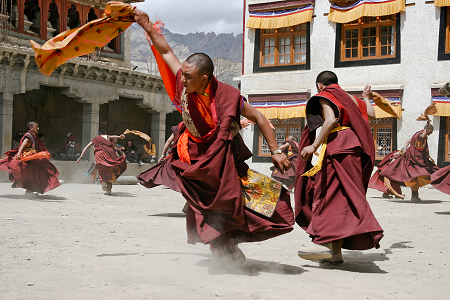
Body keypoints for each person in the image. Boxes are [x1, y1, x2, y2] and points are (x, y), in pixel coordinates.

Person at [134, 8, 294, 266]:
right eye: (182, 74)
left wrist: (275, 151)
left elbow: (261, 119)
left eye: (188, 76)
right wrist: (146, 25)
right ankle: (223, 252)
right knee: (202, 207)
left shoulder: (229, 97)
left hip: (222, 164)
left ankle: (230, 247)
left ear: (204, 78)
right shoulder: (186, 83)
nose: (182, 79)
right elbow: (166, 52)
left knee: (243, 202)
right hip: (193, 159)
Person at [294, 71, 383, 265]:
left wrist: (313, 146)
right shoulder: (349, 97)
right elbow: (371, 113)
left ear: (319, 85)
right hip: (353, 148)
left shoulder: (325, 95)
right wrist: (366, 98)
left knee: (327, 194)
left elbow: (330, 120)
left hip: (338, 147)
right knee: (343, 195)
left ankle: (325, 243)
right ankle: (334, 251)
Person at [379, 121, 439, 201]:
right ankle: (413, 196)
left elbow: (408, 141)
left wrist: (405, 149)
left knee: (415, 176)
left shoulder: (417, 134)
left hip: (418, 159)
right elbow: (421, 137)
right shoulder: (420, 135)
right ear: (427, 129)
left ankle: (414, 196)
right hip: (414, 160)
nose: (431, 133)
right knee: (415, 175)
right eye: (430, 131)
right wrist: (404, 151)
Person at [0, 121, 61, 196]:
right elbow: (23, 145)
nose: (38, 128)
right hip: (29, 159)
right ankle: (50, 182)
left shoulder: (33, 136)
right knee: (35, 173)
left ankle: (30, 191)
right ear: (31, 128)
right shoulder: (28, 136)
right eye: (36, 126)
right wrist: (18, 154)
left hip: (32, 159)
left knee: (35, 174)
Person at [77, 130, 127, 195]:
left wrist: (81, 157)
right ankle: (108, 187)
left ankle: (104, 184)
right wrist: (119, 137)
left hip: (100, 155)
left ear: (98, 135)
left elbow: (86, 147)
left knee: (102, 169)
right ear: (104, 134)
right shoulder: (106, 137)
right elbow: (113, 136)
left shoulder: (96, 138)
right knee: (111, 169)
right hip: (110, 154)